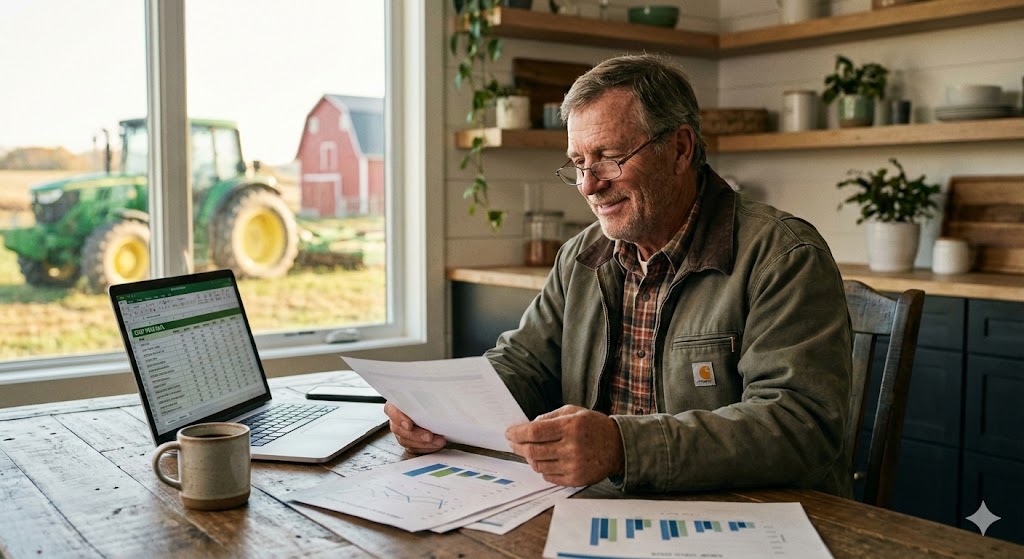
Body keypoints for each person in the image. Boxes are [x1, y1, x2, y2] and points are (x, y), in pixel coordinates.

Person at [386, 53, 853, 496]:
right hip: (600, 507)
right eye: (579, 164)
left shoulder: (783, 255)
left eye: (609, 157)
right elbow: (525, 365)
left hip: (747, 519)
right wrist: (440, 408)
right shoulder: (581, 256)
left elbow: (798, 425)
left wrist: (622, 446)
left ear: (680, 148)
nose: (589, 186)